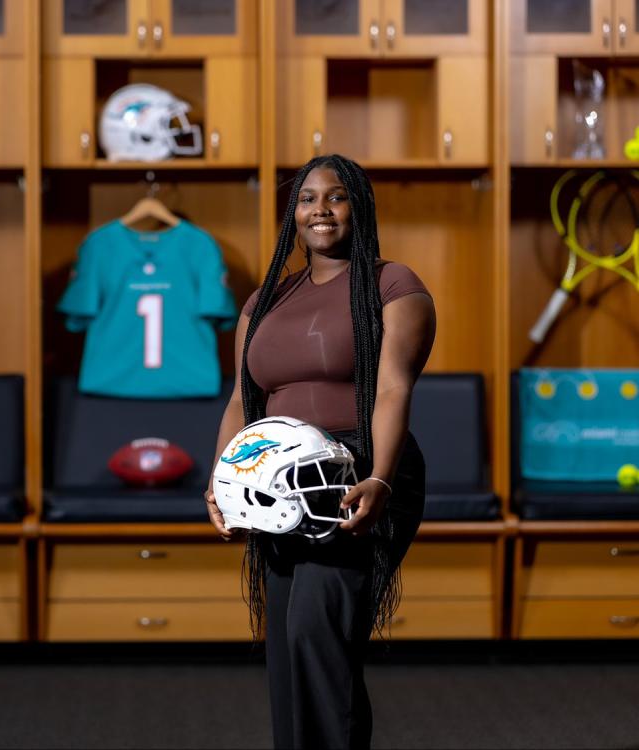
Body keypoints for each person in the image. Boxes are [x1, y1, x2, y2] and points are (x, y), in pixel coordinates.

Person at [204, 154, 436, 750]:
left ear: (359, 207)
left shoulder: (393, 285)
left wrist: (380, 479)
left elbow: (392, 388)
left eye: (337, 197)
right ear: (293, 213)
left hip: (357, 471)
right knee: (290, 641)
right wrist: (222, 479)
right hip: (279, 478)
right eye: (307, 198)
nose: (320, 210)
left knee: (315, 628)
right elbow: (241, 400)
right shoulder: (263, 301)